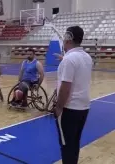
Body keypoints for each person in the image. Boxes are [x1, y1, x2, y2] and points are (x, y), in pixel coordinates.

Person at [54, 26, 92, 164]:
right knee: (74, 143)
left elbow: (65, 87)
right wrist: (65, 59)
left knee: (66, 146)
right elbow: (76, 65)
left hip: (69, 109)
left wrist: (58, 107)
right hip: (83, 108)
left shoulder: (68, 60)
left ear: (68, 38)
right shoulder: (87, 57)